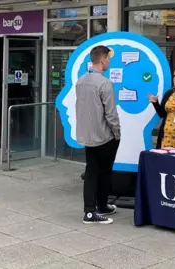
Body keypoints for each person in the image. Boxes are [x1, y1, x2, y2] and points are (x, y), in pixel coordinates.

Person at [75, 45, 120, 224]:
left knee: (92, 170)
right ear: (103, 60)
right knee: (103, 172)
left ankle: (98, 206)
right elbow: (110, 113)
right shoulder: (105, 83)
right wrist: (117, 132)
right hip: (104, 136)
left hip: (87, 135)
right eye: (108, 58)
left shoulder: (81, 81)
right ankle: (92, 211)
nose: (109, 61)